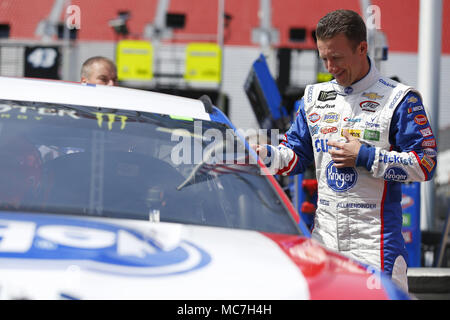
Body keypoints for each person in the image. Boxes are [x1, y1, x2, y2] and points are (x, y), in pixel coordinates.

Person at [254, 9, 437, 292]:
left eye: (336, 57)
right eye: (324, 57)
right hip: (324, 240)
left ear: (362, 48)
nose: (330, 66)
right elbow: (294, 156)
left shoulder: (400, 99)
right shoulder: (313, 98)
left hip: (375, 244)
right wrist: (264, 155)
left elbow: (425, 164)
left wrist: (364, 156)